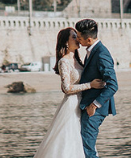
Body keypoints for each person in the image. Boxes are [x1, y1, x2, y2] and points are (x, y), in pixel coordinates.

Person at [34, 27, 106, 158]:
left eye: (77, 36)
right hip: (72, 104)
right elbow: (66, 88)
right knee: (69, 138)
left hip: (83, 103)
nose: (78, 39)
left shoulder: (79, 61)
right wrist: (90, 85)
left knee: (84, 138)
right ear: (66, 42)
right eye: (74, 37)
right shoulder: (64, 61)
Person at [76, 18, 118, 158]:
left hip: (95, 109)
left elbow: (113, 85)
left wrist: (94, 105)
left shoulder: (101, 54)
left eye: (79, 37)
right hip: (88, 104)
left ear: (88, 39)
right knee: (87, 146)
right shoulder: (92, 51)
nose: (77, 39)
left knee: (87, 148)